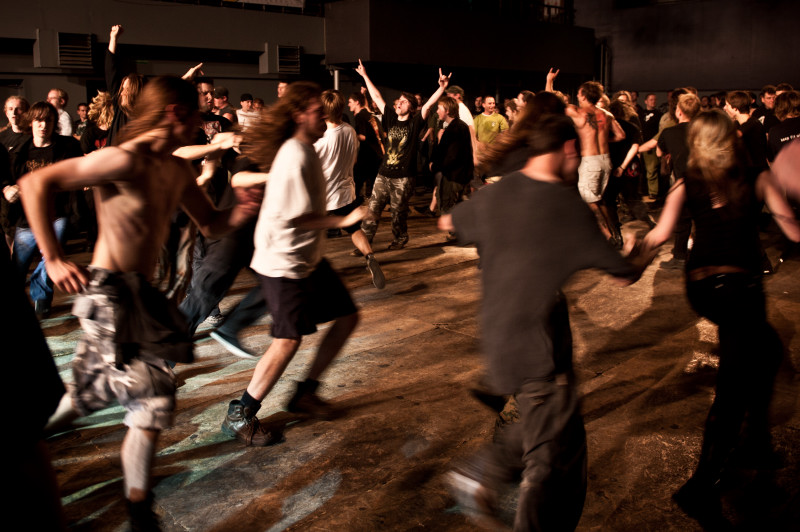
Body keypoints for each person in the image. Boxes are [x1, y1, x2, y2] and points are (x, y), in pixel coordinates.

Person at [23, 76, 261, 530]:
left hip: (139, 296)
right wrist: (52, 259)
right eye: (198, 112)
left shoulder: (174, 169)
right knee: (152, 396)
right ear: (176, 112)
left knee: (88, 396)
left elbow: (210, 224)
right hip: (109, 294)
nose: (204, 122)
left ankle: (32, 439)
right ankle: (139, 512)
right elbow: (36, 184)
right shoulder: (121, 159)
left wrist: (242, 211)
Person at [439, 113, 644, 531]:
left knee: (552, 424)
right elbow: (624, 274)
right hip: (538, 344)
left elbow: (449, 223)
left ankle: (479, 474)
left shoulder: (499, 192)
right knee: (544, 460)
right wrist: (648, 246)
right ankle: (480, 477)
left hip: (500, 336)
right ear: (568, 149)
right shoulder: (567, 208)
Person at [641, 109, 800, 529]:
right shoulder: (758, 177)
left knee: (766, 351)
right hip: (739, 289)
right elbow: (794, 230)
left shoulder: (684, 182)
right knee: (735, 382)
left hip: (701, 286)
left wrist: (629, 265)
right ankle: (700, 485)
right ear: (732, 138)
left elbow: (658, 236)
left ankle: (757, 443)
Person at [219, 81, 366, 446]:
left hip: (307, 258)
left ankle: (305, 393)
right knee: (288, 339)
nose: (325, 116)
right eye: (318, 111)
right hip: (282, 261)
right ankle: (240, 413)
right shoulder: (294, 153)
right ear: (300, 115)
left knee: (348, 316)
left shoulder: (306, 148)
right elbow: (295, 218)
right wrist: (343, 221)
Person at [354, 60, 451, 250]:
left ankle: (400, 238)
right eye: (399, 100)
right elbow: (377, 96)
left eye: (404, 101)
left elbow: (429, 105)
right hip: (383, 174)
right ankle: (364, 244)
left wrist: (441, 88)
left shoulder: (414, 124)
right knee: (373, 210)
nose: (399, 103)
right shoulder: (390, 118)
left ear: (412, 108)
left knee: (398, 213)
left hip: (403, 178)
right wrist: (365, 75)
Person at [12, 102, 83, 317]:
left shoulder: (67, 146)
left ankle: (41, 296)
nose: (43, 125)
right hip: (28, 217)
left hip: (58, 213)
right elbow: (10, 177)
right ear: (31, 123)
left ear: (54, 124)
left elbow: (79, 168)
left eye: (48, 121)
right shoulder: (21, 151)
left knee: (51, 254)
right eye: (39, 121)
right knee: (19, 262)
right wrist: (9, 188)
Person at [315, 90, 385, 288]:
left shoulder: (321, 139)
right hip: (346, 192)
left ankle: (311, 271)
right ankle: (370, 256)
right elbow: (353, 160)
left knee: (311, 231)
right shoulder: (349, 130)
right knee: (354, 230)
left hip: (324, 195)